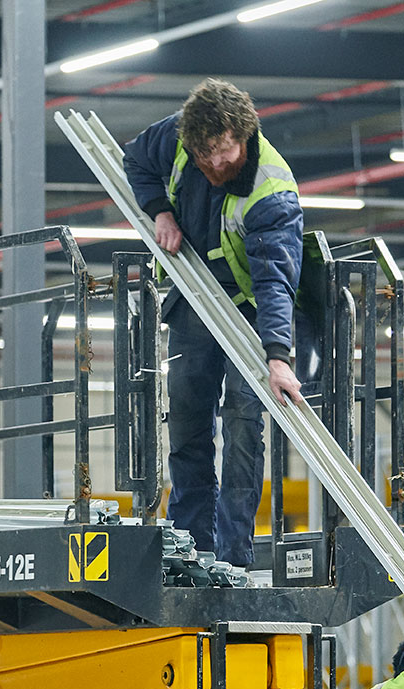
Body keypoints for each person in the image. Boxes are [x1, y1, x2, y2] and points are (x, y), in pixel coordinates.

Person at [122, 78, 305, 569]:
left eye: (226, 152)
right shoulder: (179, 137)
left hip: (250, 311)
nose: (217, 164)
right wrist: (160, 212)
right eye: (206, 155)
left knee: (243, 424)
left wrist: (278, 357)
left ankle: (231, 557)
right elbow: (135, 160)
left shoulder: (271, 192)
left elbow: (275, 282)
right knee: (186, 420)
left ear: (244, 135)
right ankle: (190, 546)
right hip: (195, 299)